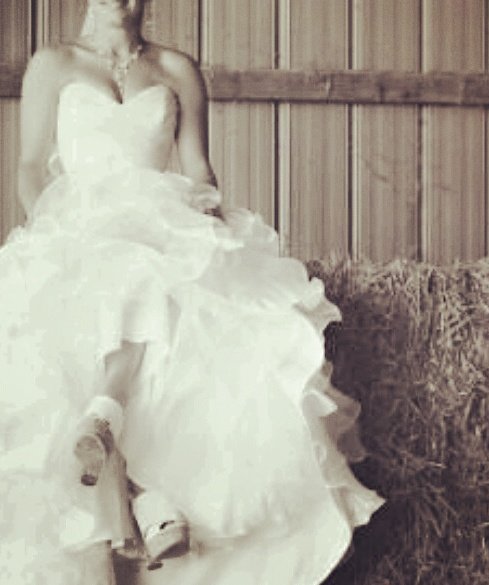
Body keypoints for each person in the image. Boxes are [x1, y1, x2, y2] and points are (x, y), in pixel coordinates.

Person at [0, 0, 385, 583]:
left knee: (182, 303)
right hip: (76, 225)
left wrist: (209, 233)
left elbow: (198, 169)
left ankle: (116, 439)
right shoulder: (52, 63)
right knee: (84, 319)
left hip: (160, 222)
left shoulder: (176, 69)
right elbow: (30, 169)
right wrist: (59, 235)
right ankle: (136, 497)